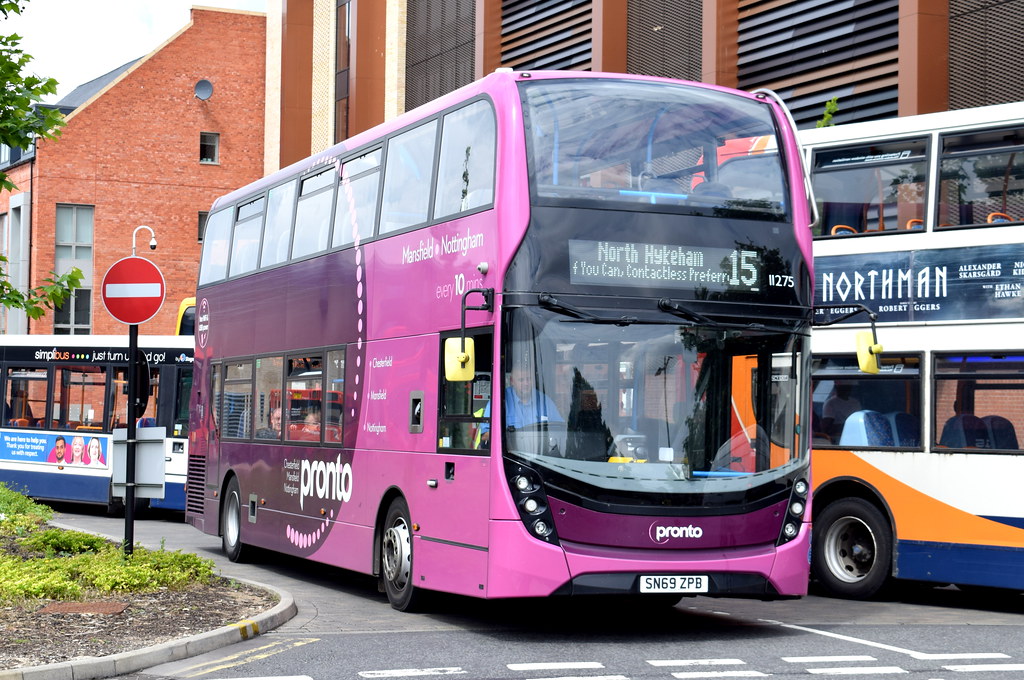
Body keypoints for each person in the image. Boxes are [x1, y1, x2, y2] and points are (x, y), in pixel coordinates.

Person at [479, 364, 562, 447]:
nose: (526, 383)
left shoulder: (544, 400)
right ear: (512, 381)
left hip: (540, 454)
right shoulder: (500, 400)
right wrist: (512, 436)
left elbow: (560, 429)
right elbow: (485, 435)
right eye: (521, 380)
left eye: (528, 379)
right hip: (509, 454)